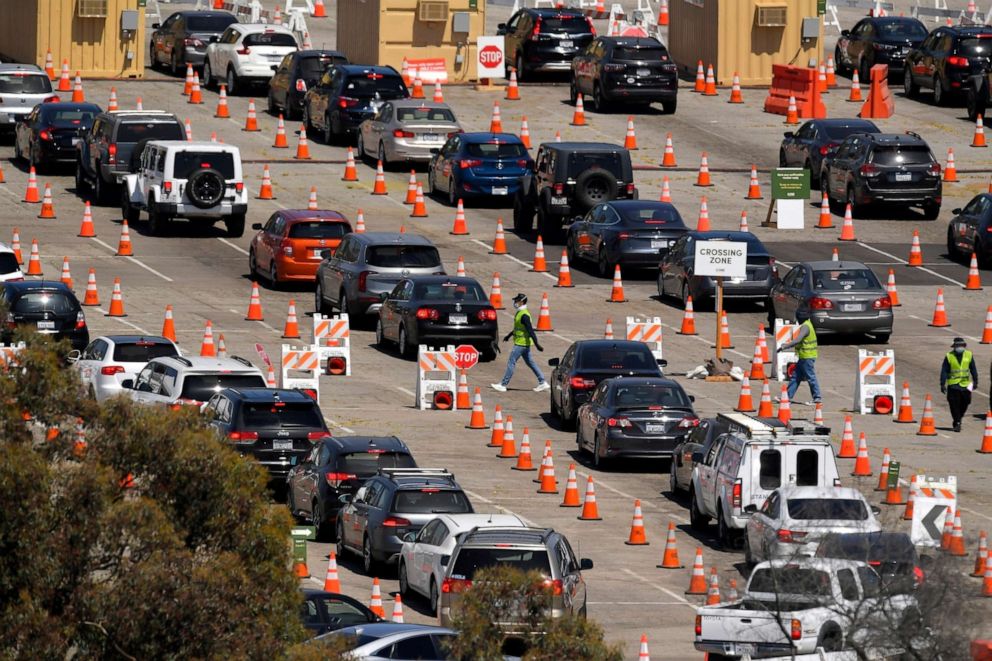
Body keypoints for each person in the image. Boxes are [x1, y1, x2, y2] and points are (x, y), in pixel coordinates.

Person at [492, 293, 549, 392]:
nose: (514, 303)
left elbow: (531, 331)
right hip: (522, 343)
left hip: (521, 344)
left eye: (516, 301)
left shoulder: (524, 316)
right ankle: (542, 382)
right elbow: (518, 328)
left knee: (511, 362)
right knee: (530, 362)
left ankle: (503, 384)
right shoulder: (520, 313)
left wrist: (537, 344)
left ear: (522, 302)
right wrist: (509, 336)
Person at [779, 308, 822, 405]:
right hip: (804, 356)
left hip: (807, 357)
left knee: (811, 377)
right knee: (796, 377)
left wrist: (785, 346)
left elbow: (797, 340)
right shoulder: (808, 324)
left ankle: (817, 398)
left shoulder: (805, 327)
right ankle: (787, 396)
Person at [940, 337, 978, 432]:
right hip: (953, 384)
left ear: (964, 346)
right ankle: (957, 422)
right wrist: (942, 383)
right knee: (954, 404)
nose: (959, 347)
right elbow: (944, 370)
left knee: (966, 402)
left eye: (961, 345)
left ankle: (958, 418)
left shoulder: (969, 355)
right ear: (954, 347)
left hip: (966, 384)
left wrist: (975, 381)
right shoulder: (949, 356)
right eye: (958, 346)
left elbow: (973, 369)